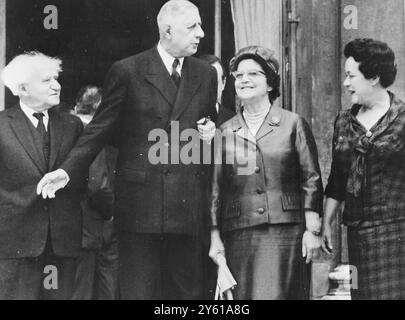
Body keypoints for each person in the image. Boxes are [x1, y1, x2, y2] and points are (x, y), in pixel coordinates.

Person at [36, 0, 217, 300]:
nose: (201, 33)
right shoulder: (128, 70)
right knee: (139, 294)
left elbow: (206, 126)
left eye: (200, 24)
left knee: (185, 297)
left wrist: (210, 136)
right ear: (167, 31)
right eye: (192, 27)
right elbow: (99, 130)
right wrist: (66, 172)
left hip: (186, 208)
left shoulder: (205, 74)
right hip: (140, 210)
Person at [208, 45, 323, 300]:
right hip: (240, 234)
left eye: (253, 74)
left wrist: (312, 230)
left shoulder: (292, 124)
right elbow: (215, 188)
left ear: (270, 83)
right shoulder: (224, 132)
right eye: (238, 75)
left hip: (286, 232)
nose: (244, 80)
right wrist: (215, 238)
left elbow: (311, 178)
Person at [321, 38, 405, 300]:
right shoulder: (344, 121)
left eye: (350, 76)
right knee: (361, 295)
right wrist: (326, 224)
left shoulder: (403, 119)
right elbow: (337, 179)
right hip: (357, 235)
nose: (345, 83)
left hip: (397, 233)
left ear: (373, 77)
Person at [0, 51, 87, 299]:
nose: (56, 85)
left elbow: (82, 180)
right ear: (22, 88)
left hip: (62, 243)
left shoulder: (72, 125)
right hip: (14, 246)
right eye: (46, 80)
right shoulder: (2, 126)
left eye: (56, 78)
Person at [71, 85, 119, 300]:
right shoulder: (91, 134)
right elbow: (98, 184)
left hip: (73, 230)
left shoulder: (63, 130)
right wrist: (113, 212)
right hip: (96, 228)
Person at [199, 54, 235, 125]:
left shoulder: (234, 120)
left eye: (214, 83)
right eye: (202, 83)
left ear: (223, 83)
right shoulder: (181, 118)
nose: (208, 89)